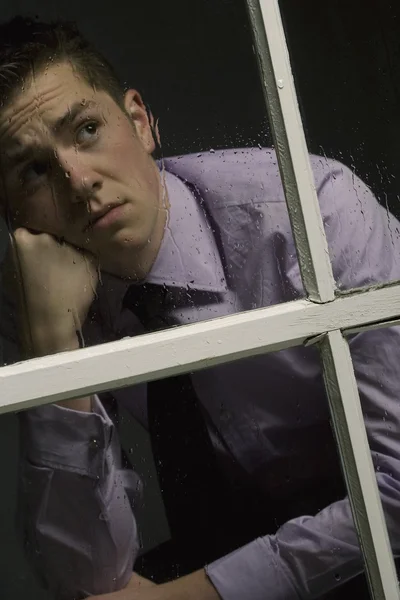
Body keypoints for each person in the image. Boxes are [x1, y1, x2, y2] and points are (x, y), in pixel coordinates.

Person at [0, 15, 400, 600]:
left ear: (139, 121)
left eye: (86, 130)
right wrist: (56, 357)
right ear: (13, 214)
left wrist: (196, 596)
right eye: (33, 169)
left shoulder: (312, 213)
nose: (77, 179)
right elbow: (81, 582)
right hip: (245, 538)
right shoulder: (40, 302)